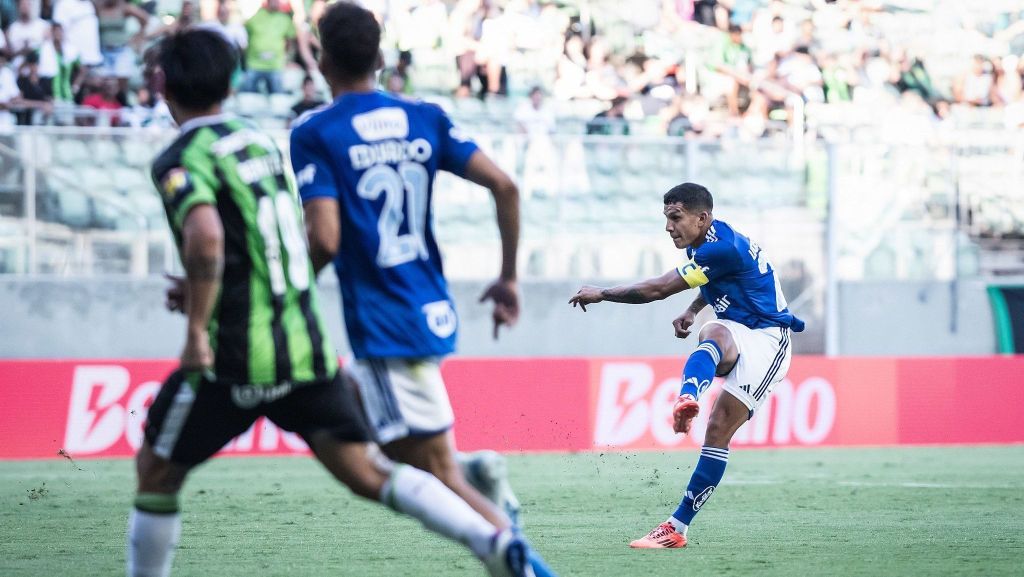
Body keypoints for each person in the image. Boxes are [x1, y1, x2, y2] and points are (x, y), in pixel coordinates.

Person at [130, 27, 549, 577]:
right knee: (374, 468)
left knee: (158, 470)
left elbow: (245, 237)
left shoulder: (299, 134)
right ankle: (490, 524)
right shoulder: (262, 139)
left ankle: (501, 541)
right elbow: (505, 185)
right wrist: (509, 277)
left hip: (302, 335)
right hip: (326, 340)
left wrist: (197, 324)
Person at [292, 0, 534, 544]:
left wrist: (284, 286)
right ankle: (475, 473)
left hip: (384, 321)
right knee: (380, 442)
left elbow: (325, 240)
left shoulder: (318, 132)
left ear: (322, 62)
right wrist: (508, 276)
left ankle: (516, 552)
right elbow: (507, 186)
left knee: (426, 473)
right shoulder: (424, 116)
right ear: (380, 57)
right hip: (428, 303)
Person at [569, 182, 805, 549]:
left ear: (701, 217)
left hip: (769, 340)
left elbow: (657, 289)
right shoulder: (712, 238)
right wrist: (694, 309)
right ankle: (686, 398)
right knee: (711, 332)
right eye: (666, 218)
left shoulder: (722, 247)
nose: (668, 227)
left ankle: (677, 526)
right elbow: (710, 278)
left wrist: (601, 294)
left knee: (717, 429)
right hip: (738, 327)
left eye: (675, 218)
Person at [242, 0, 295, 94]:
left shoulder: (285, 19)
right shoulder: (256, 16)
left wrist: (287, 58)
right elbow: (244, 35)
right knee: (247, 95)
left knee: (278, 97)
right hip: (254, 64)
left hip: (275, 65)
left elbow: (290, 40)